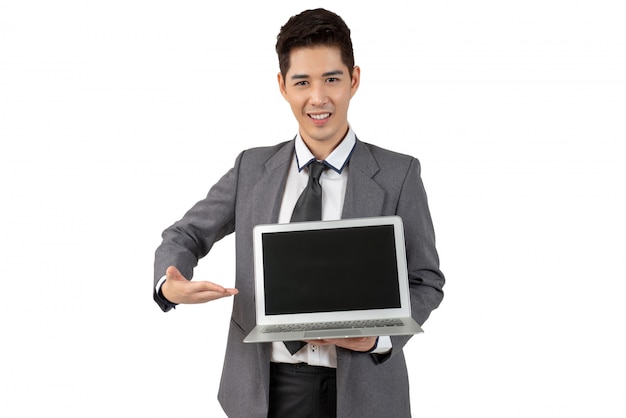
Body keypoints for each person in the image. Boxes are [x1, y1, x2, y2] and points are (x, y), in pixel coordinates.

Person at [153, 8, 444, 418]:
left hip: (362, 394)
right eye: (302, 82)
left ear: (354, 80)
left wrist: (378, 337)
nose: (318, 97)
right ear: (282, 86)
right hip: (263, 393)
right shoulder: (251, 169)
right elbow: (184, 235)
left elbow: (426, 280)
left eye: (332, 79)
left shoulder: (399, 175)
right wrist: (170, 284)